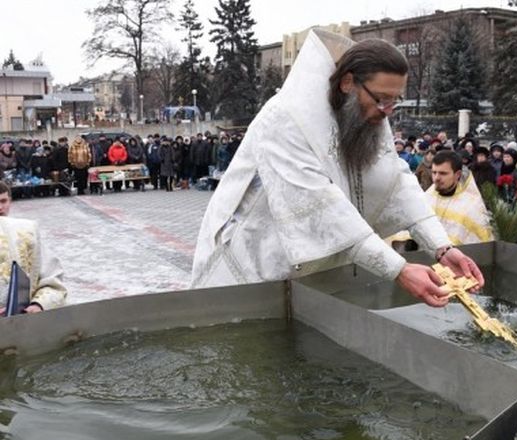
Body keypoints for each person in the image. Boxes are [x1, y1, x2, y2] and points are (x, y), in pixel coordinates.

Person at [191, 31, 484, 306]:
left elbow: (396, 183)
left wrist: (442, 248)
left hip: (309, 272)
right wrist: (399, 270)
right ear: (347, 83)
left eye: (395, 100)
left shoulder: (368, 114)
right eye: (382, 99)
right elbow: (323, 208)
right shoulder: (286, 118)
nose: (388, 111)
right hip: (253, 263)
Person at [0, 181, 67, 314]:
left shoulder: (27, 233)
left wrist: (38, 305)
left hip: (19, 324)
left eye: (3, 201)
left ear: (10, 201)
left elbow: (52, 280)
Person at [427, 151, 493, 245]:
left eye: (443, 173)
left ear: (457, 174)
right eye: (434, 172)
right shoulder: (427, 197)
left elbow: (480, 246)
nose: (436, 178)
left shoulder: (472, 205)